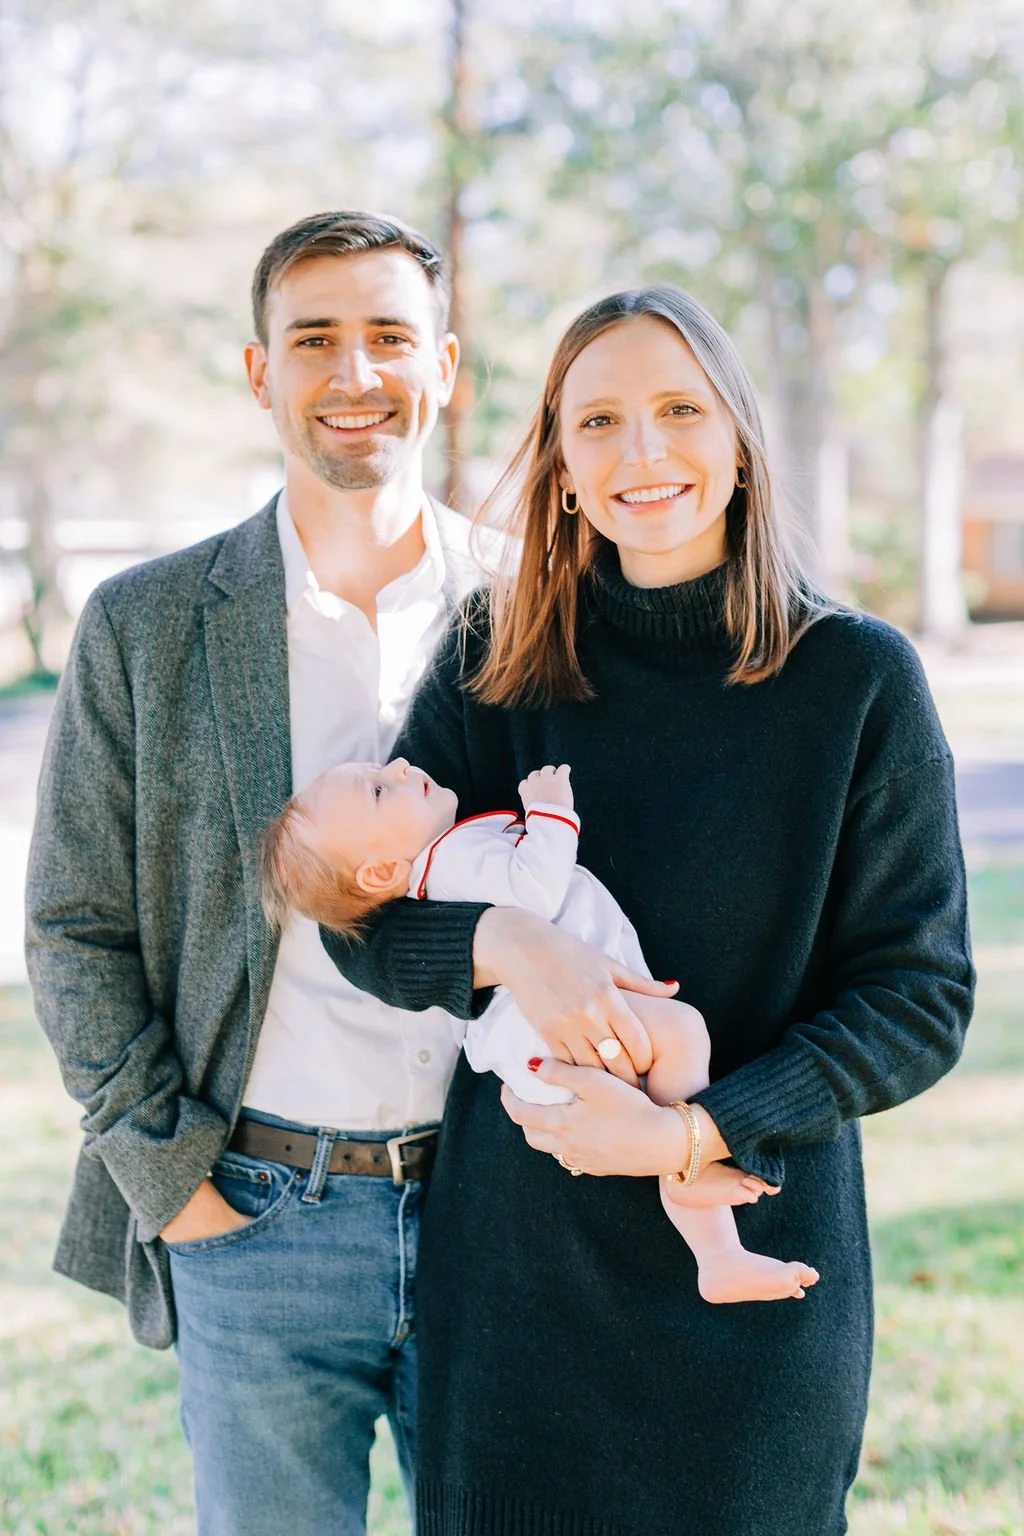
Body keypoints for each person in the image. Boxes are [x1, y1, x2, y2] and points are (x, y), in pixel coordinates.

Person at [321, 285, 975, 1536]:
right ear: (562, 467)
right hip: (523, 1278)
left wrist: (692, 1135)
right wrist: (505, 940)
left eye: (678, 409)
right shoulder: (493, 654)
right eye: (599, 421)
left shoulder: (854, 680)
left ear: (737, 440)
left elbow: (919, 995)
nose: (643, 452)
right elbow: (364, 923)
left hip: (751, 1253)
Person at [25, 210, 578, 1536]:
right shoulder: (149, 625)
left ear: (445, 368)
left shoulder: (542, 608)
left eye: (390, 337)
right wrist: (179, 1187)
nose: (354, 374)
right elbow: (72, 928)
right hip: (259, 1218)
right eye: (313, 339)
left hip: (503, 1215)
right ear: (260, 371)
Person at [261, 755, 820, 1303]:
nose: (401, 765)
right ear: (381, 872)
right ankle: (690, 1183)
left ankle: (718, 1253)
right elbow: (535, 892)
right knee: (683, 1034)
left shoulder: (441, 873)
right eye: (380, 790)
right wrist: (551, 813)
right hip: (553, 1038)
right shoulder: (453, 859)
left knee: (666, 1074)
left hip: (544, 1048)